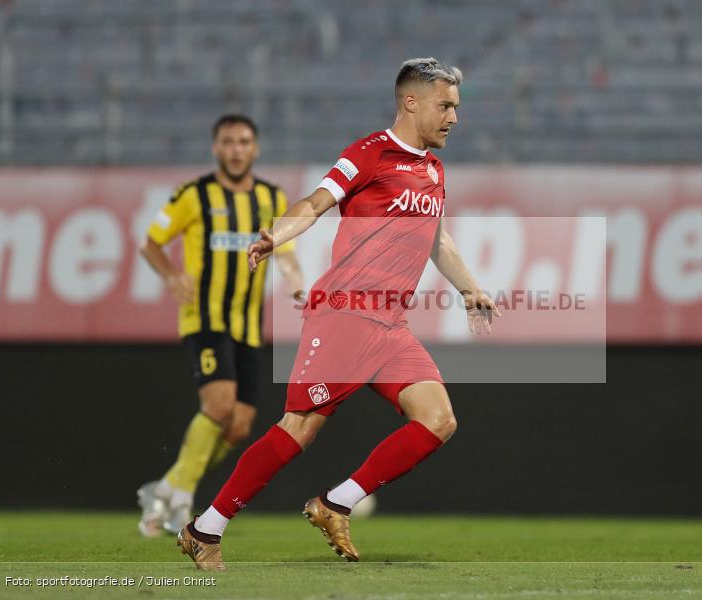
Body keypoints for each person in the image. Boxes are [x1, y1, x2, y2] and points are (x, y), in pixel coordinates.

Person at [177, 58, 499, 571]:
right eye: (446, 105)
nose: (454, 118)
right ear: (411, 101)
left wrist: (470, 289)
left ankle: (335, 503)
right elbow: (315, 202)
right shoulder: (369, 154)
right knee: (298, 430)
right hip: (345, 315)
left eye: (456, 107)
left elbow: (436, 238)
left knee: (438, 420)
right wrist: (275, 235)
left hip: (391, 325)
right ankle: (204, 529)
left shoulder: (434, 170)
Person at [137, 114, 304, 537]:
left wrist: (294, 279)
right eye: (228, 142)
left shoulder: (270, 196)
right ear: (216, 148)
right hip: (205, 319)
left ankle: (169, 487)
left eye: (244, 141)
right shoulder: (193, 195)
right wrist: (172, 277)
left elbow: (283, 247)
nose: (236, 149)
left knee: (240, 425)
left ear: (255, 148)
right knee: (219, 405)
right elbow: (151, 243)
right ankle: (181, 495)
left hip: (249, 324)